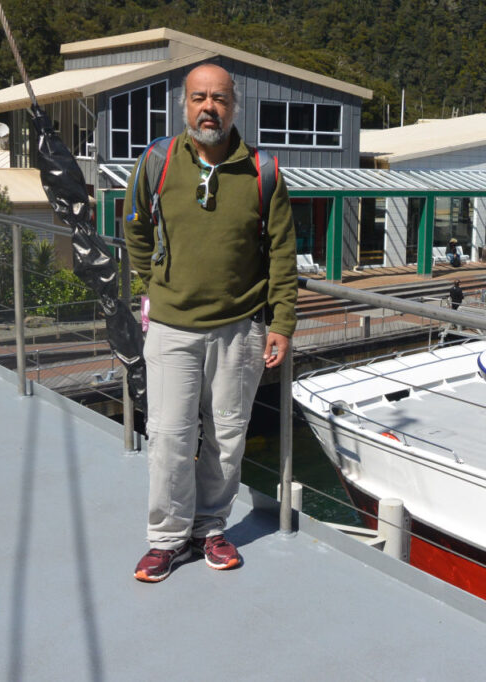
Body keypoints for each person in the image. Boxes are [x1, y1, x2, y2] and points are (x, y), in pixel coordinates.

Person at [125, 63, 297, 583]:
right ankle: (167, 539)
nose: (209, 108)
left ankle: (210, 529)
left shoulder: (263, 172)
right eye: (199, 98)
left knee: (226, 435)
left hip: (240, 329)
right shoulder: (156, 161)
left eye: (219, 99)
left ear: (234, 106)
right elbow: (135, 229)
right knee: (170, 436)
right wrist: (153, 284)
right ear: (184, 105)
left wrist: (281, 323)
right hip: (173, 329)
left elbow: (282, 257)